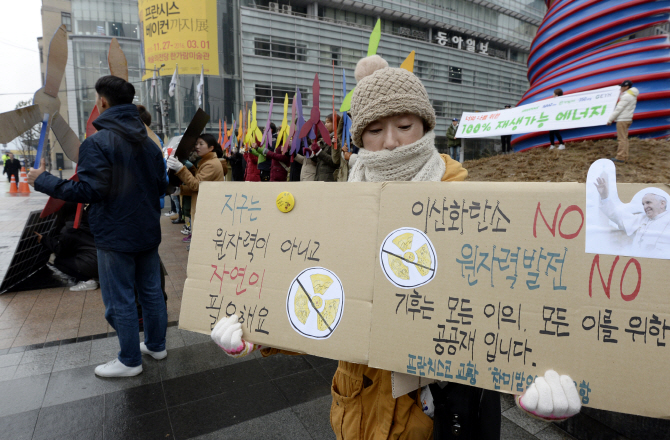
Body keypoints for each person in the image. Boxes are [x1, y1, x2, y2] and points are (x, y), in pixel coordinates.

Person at [210, 55, 581, 439]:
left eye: (404, 125)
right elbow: (320, 298)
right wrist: (259, 331)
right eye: (374, 130)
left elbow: (507, 310)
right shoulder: (342, 205)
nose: (390, 142)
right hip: (357, 410)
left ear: (424, 127)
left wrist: (540, 378)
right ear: (359, 138)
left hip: (432, 417)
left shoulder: (473, 211)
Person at [28, 75, 168, 377]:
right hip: (146, 231)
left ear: (102, 102)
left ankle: (129, 360)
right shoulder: (149, 144)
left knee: (120, 298)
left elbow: (88, 191)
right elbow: (160, 186)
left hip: (116, 235)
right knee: (151, 291)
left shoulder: (97, 143)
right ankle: (157, 344)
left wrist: (43, 180)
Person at [167, 133, 226, 245]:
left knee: (205, 243)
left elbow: (196, 185)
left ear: (211, 148)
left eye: (201, 144)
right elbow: (201, 185)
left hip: (207, 210)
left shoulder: (211, 164)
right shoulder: (206, 161)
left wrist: (181, 169)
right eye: (196, 144)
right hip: (205, 208)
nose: (197, 147)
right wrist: (180, 190)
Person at [595, 177, 669, 254]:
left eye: (648, 202)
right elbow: (618, 216)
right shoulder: (642, 218)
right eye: (643, 204)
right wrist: (605, 197)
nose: (645, 207)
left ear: (662, 203)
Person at [37, 202, 99, 291]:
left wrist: (44, 240)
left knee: (57, 260)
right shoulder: (87, 220)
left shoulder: (70, 228)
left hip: (93, 263)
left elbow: (60, 250)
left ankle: (88, 281)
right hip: (104, 261)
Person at [607, 80, 639, 163]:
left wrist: (610, 119)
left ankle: (620, 157)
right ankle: (625, 156)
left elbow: (618, 109)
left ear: (626, 87)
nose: (620, 88)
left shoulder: (626, 96)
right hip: (627, 119)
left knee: (621, 139)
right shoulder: (632, 96)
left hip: (622, 120)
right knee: (624, 138)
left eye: (622, 86)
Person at [312, 114, 338, 182]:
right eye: (325, 122)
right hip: (319, 177)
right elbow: (320, 160)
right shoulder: (325, 139)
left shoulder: (337, 139)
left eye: (328, 122)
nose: (325, 124)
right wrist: (312, 154)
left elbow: (334, 161)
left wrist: (319, 151)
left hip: (328, 179)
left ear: (335, 123)